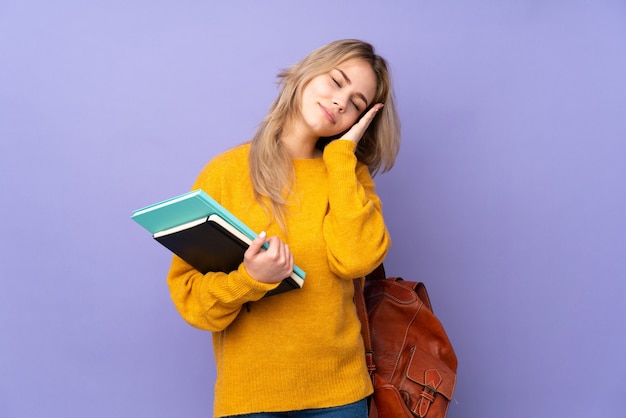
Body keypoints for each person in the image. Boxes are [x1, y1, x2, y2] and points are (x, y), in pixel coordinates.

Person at [166, 39, 401, 418]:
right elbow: (192, 301)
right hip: (250, 399)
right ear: (306, 74)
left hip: (340, 396)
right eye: (337, 81)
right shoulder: (226, 172)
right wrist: (250, 279)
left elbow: (356, 261)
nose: (341, 102)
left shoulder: (348, 176)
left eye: (357, 102)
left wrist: (341, 158)